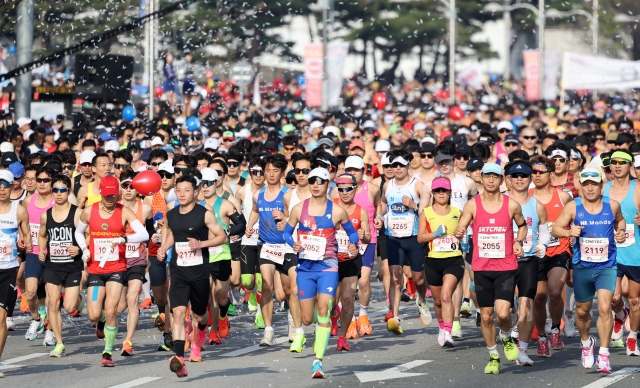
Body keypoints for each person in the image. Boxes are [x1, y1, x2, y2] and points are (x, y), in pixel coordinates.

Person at [283, 167, 359, 378]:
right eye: (312, 181)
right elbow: (287, 233)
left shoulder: (337, 211)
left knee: (323, 309)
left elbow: (352, 234)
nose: (315, 185)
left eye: (320, 181)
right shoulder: (299, 209)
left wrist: (353, 246)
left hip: (328, 266)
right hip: (305, 268)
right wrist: (294, 244)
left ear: (328, 184)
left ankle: (318, 361)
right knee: (308, 319)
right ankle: (323, 320)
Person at [454, 163, 527, 374]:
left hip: (505, 266)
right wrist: (459, 231)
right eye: (487, 176)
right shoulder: (472, 205)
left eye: (496, 176)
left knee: (503, 314)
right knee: (486, 316)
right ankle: (493, 355)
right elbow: (462, 226)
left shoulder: (511, 205)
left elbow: (522, 226)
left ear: (502, 180)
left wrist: (518, 242)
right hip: (481, 267)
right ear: (482, 178)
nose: (491, 180)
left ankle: (506, 336)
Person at [551, 168, 626, 374]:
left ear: (602, 185)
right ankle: (586, 343)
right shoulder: (573, 207)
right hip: (583, 267)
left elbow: (620, 220)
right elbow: (555, 229)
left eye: (594, 183)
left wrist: (620, 232)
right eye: (586, 184)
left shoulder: (612, 205)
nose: (590, 188)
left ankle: (604, 354)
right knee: (583, 311)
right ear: (581, 186)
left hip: (607, 266)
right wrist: (568, 232)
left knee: (604, 307)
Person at [74, 175, 149, 367]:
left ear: (118, 193)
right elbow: (78, 232)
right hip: (96, 269)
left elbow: (143, 234)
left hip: (117, 268)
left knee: (111, 311)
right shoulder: (89, 212)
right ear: (100, 192)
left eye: (113, 195)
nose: (110, 199)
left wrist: (124, 239)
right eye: (107, 195)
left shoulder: (124, 211)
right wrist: (84, 248)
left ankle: (107, 351)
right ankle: (98, 322)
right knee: (93, 314)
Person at [157, 174, 227, 377]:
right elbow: (172, 234)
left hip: (199, 273)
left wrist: (202, 244)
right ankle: (179, 358)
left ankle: (203, 329)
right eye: (178, 190)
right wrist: (163, 248)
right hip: (178, 270)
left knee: (199, 315)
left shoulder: (204, 214)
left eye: (186, 190)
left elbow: (222, 236)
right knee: (178, 313)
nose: (182, 194)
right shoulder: (172, 213)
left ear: (195, 192)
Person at [375, 150, 430, 335]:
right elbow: (382, 204)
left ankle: (422, 300)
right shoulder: (387, 185)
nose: (397, 169)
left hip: (414, 238)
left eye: (400, 165)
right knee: (395, 277)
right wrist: (378, 216)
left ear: (408, 165)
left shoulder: (418, 185)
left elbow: (429, 210)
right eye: (393, 165)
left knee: (419, 277)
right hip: (393, 237)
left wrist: (414, 206)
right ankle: (395, 316)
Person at [245, 154, 297, 347]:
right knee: (266, 287)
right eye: (268, 170)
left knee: (288, 290)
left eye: (276, 170)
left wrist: (285, 217)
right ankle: (269, 331)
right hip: (266, 246)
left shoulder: (288, 194)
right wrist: (250, 225)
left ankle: (293, 322)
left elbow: (296, 216)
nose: (271, 174)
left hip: (286, 246)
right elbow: (255, 211)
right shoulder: (258, 194)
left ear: (282, 172)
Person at [504, 161, 550, 366]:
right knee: (503, 310)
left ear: (530, 179)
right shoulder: (500, 202)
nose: (520, 179)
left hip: (528, 260)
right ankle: (506, 333)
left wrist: (543, 245)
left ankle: (522, 350)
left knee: (526, 304)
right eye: (515, 176)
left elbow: (545, 231)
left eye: (524, 176)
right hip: (503, 262)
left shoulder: (536, 205)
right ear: (509, 180)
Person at [528, 155, 573, 356]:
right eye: (534, 172)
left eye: (541, 172)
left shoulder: (563, 197)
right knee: (538, 297)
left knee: (555, 292)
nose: (537, 176)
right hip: (535, 253)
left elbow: (573, 223)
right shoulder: (525, 196)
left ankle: (555, 327)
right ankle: (542, 338)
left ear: (550, 173)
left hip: (559, 251)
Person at [331, 155, 380, 337]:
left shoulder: (372, 189)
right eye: (349, 170)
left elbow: (379, 206)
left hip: (363, 245)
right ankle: (340, 316)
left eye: (356, 170)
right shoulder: (334, 197)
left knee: (363, 281)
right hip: (337, 250)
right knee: (333, 294)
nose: (352, 173)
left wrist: (368, 230)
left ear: (362, 171)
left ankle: (362, 316)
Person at [38, 174, 83, 357]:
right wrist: (42, 250)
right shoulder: (45, 215)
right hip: (53, 266)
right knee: (53, 303)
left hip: (72, 266)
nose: (58, 194)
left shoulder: (77, 213)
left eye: (62, 190)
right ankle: (59, 343)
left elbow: (87, 236)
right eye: (55, 190)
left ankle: (79, 300)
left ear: (68, 192)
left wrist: (78, 248)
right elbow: (42, 236)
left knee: (70, 307)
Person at [199, 167, 246, 344]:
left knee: (219, 294)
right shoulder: (196, 204)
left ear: (216, 183)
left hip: (221, 253)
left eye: (209, 183)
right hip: (203, 253)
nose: (205, 187)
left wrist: (227, 230)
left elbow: (241, 223)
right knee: (208, 291)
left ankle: (224, 312)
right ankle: (212, 332)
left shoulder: (225, 204)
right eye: (202, 184)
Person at [417, 177, 465, 348]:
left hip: (454, 260)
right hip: (433, 261)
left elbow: (466, 231)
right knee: (438, 301)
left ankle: (448, 332)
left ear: (450, 192)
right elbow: (420, 237)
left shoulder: (458, 212)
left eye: (444, 190)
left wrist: (463, 236)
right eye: (437, 190)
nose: (441, 193)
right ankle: (441, 327)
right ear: (433, 193)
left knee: (446, 296)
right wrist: (435, 234)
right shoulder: (427, 213)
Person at [602, 150, 640, 354]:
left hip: (635, 253)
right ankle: (619, 315)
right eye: (614, 162)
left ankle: (632, 338)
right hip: (611, 253)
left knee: (634, 299)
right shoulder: (603, 189)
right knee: (615, 298)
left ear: (630, 166)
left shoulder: (638, 189)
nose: (617, 166)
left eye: (622, 162)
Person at [332, 173, 371, 350]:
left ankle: (342, 336)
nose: (344, 192)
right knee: (331, 301)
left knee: (347, 299)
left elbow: (368, 237)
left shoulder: (360, 211)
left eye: (348, 189)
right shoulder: (330, 207)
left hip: (351, 260)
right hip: (331, 259)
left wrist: (363, 237)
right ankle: (334, 316)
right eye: (341, 189)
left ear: (355, 189)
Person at [116, 171, 153, 357]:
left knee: (132, 299)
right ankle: (101, 320)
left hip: (137, 259)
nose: (129, 190)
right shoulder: (115, 208)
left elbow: (151, 233)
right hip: (117, 259)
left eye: (132, 186)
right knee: (119, 306)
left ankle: (128, 341)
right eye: (125, 186)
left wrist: (150, 254)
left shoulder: (145, 209)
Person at [0, 170, 32, 378]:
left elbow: (27, 237)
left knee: (1, 318)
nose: (1, 188)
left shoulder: (19, 211)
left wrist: (23, 246)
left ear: (12, 186)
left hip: (8, 269)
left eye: (5, 184)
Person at [22, 167, 56, 343]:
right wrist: (23, 239)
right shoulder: (29, 201)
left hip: (52, 255)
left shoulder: (56, 200)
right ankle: (36, 320)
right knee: (30, 292)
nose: (42, 183)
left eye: (46, 180)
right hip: (33, 253)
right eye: (39, 180)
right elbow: (23, 223)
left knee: (51, 297)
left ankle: (51, 330)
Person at [237, 159, 265, 323]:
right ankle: (252, 293)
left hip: (265, 241)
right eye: (255, 171)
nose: (258, 175)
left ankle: (260, 313)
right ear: (249, 172)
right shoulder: (242, 191)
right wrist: (239, 227)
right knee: (247, 281)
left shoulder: (271, 191)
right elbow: (235, 212)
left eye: (262, 172)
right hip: (248, 239)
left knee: (262, 281)